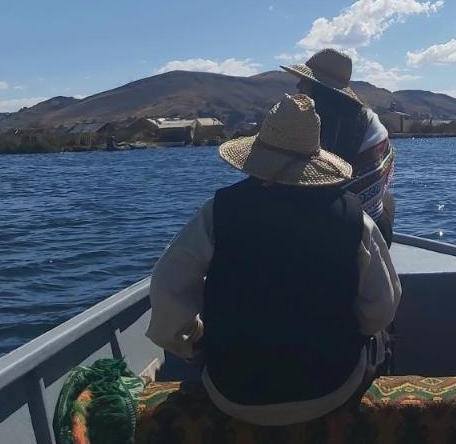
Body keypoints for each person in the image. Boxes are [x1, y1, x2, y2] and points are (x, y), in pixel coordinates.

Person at [145, 93, 401, 426]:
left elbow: (167, 295)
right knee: (382, 335)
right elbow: (382, 307)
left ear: (259, 154)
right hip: (332, 388)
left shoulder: (218, 212)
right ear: (315, 158)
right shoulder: (353, 217)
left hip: (233, 392)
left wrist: (196, 343)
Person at [282, 49, 397, 243]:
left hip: (318, 228)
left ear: (318, 88)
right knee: (388, 200)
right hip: (372, 231)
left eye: (305, 80)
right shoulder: (371, 122)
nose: (298, 84)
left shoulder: (307, 125)